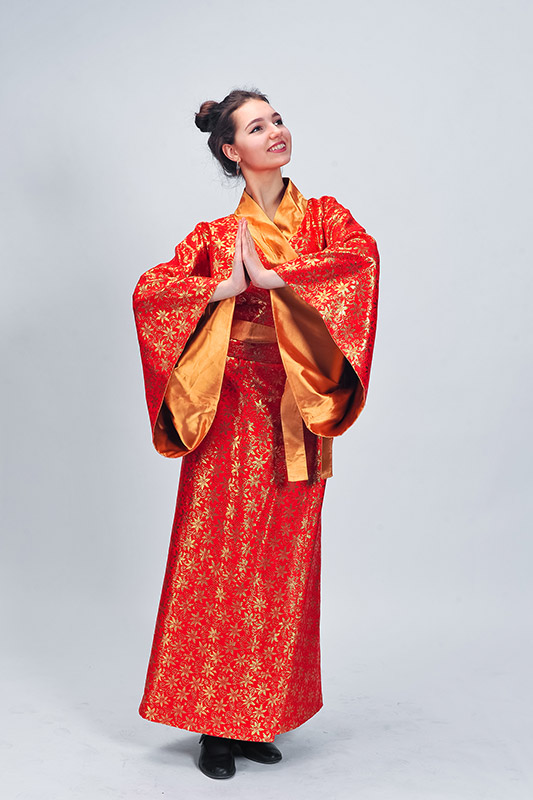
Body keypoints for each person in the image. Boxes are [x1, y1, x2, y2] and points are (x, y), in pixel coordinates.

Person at [133, 88, 379, 780]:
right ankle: (214, 724)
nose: (275, 132)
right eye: (256, 126)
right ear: (229, 150)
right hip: (232, 406)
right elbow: (152, 292)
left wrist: (278, 276)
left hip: (297, 409)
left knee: (281, 566)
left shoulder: (324, 218)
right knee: (218, 561)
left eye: (277, 120)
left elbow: (360, 261)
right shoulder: (213, 237)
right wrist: (219, 289)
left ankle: (255, 714)